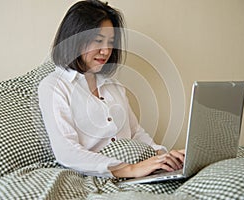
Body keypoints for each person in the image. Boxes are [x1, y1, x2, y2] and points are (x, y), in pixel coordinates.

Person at [38, 0, 184, 178]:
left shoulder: (114, 86)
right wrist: (128, 170)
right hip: (100, 175)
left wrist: (163, 156)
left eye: (111, 42)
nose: (106, 51)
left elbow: (136, 133)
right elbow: (66, 151)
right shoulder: (54, 86)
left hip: (136, 170)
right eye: (98, 41)